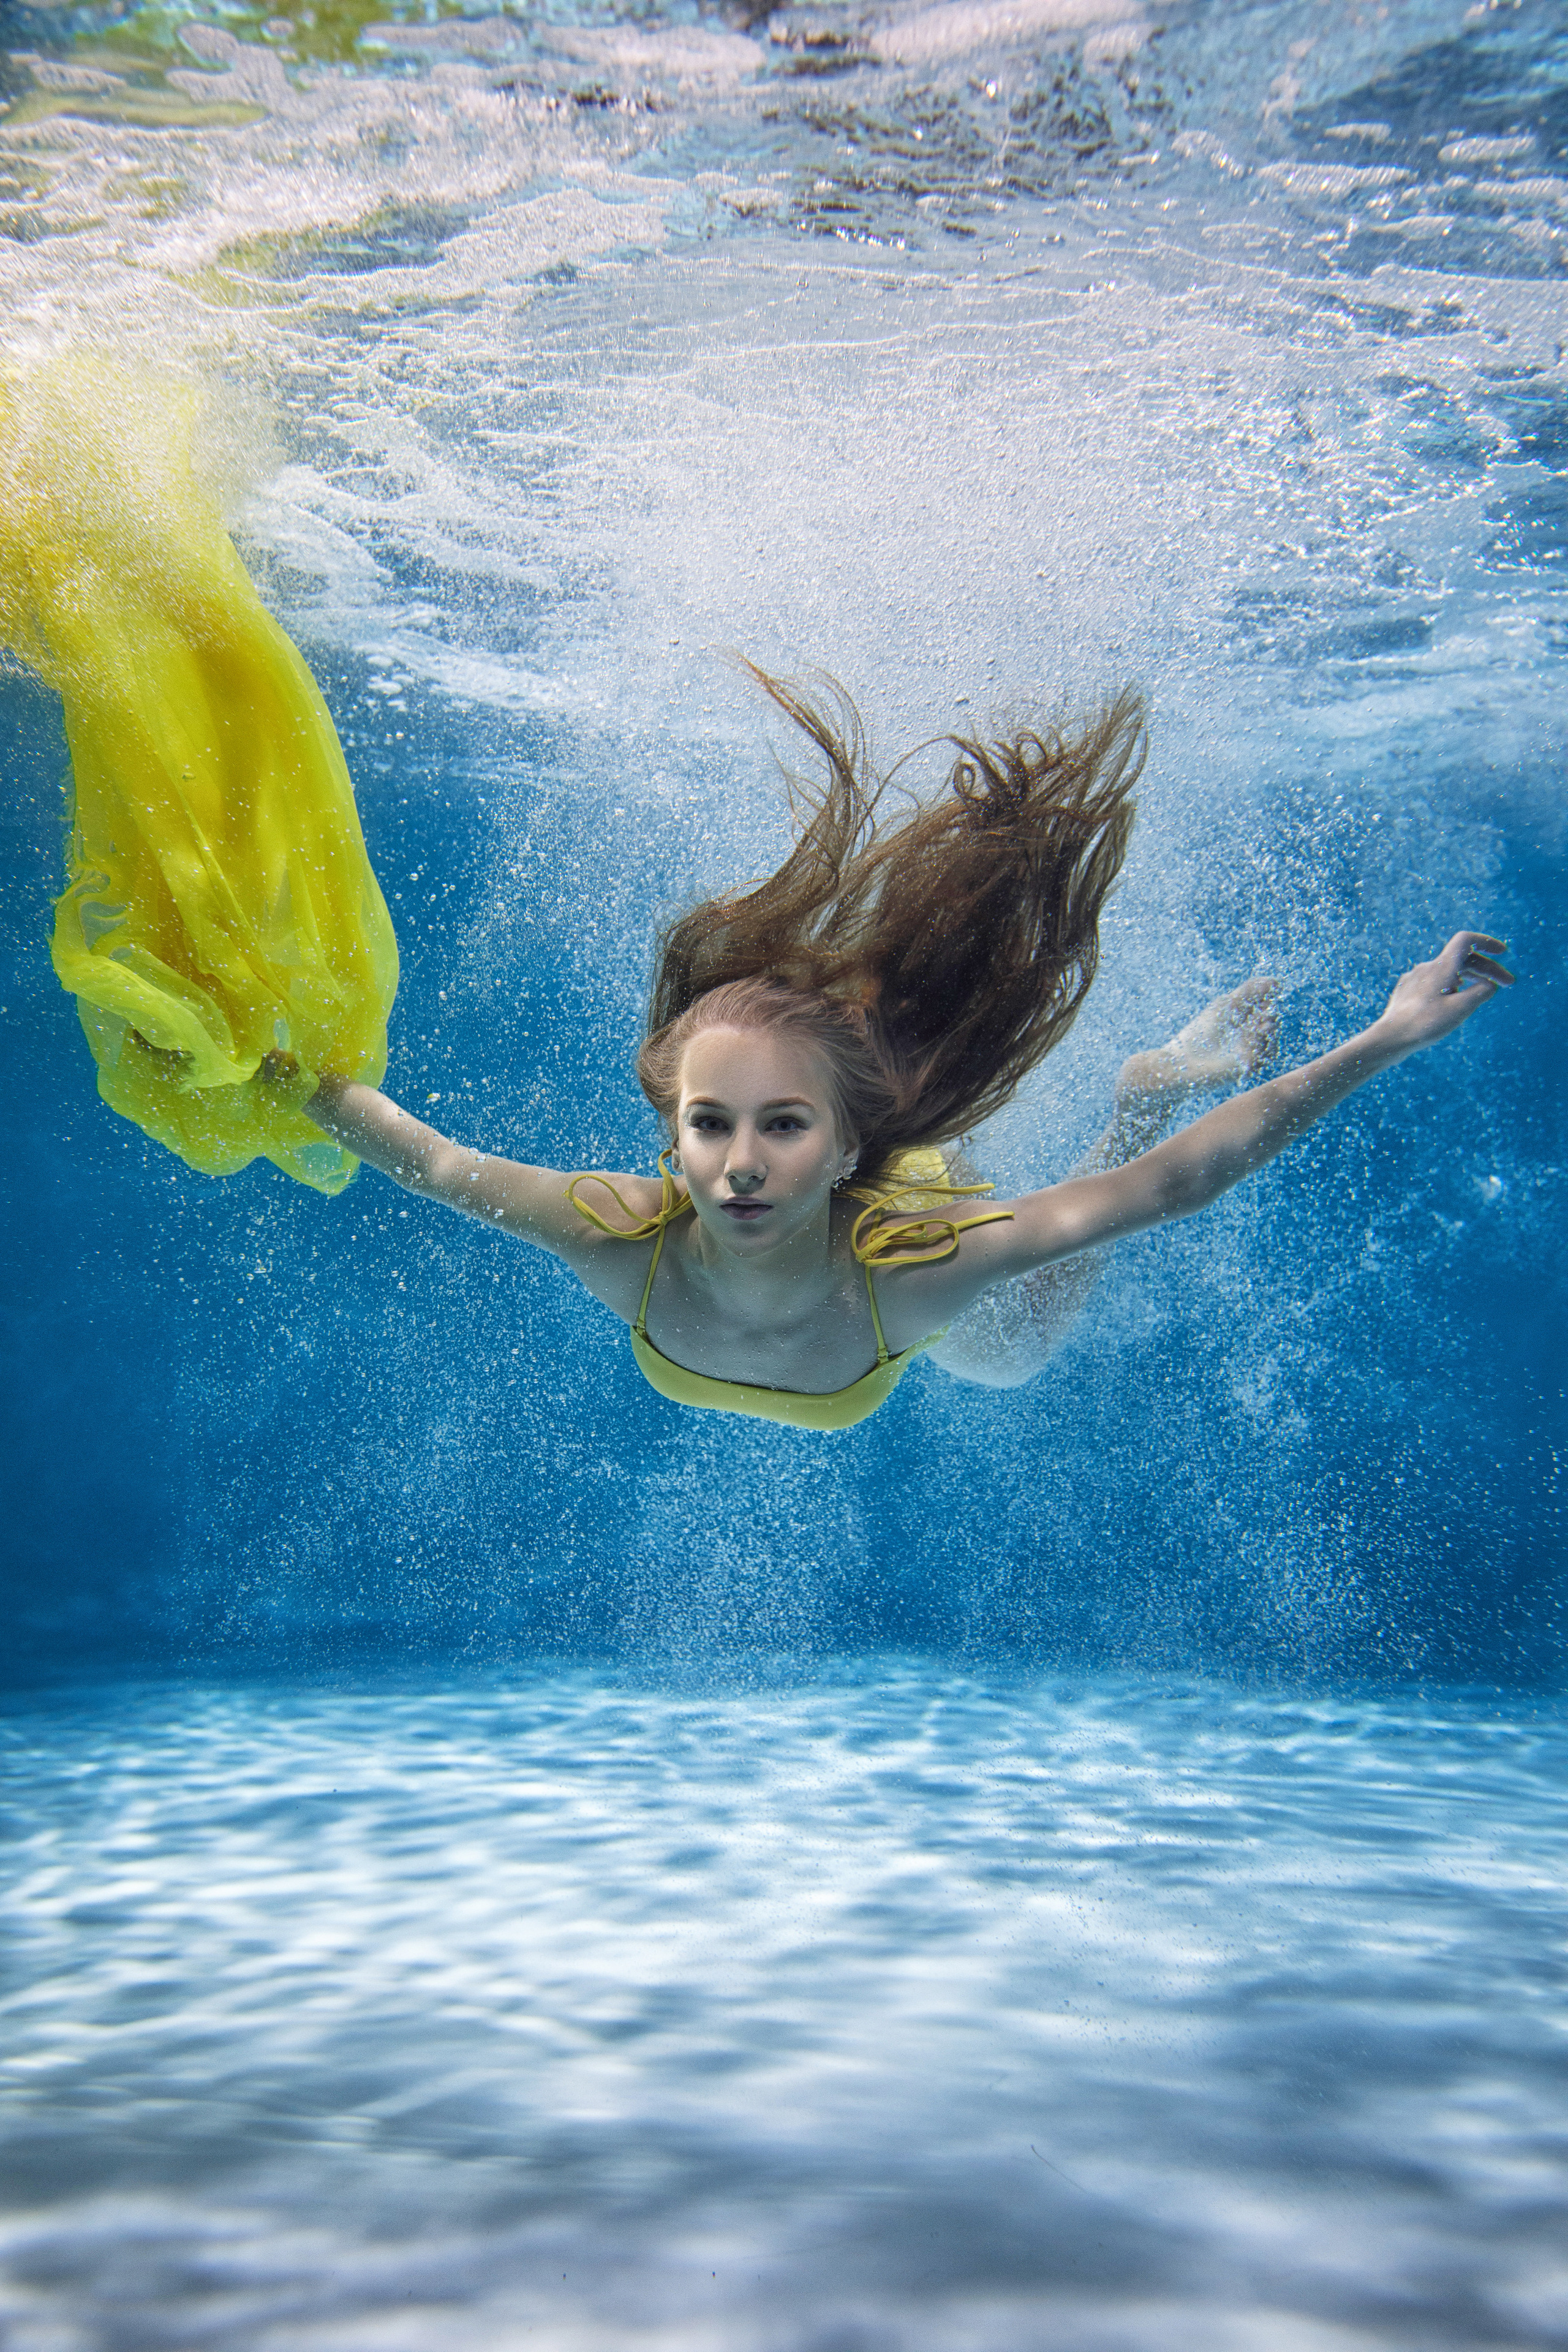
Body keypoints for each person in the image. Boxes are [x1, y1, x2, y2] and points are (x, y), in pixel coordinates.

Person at [279, 669, 1513, 1430]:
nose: (739, 1166)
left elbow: (1179, 1184)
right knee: (919, 1117)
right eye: (709, 1125)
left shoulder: (913, 1273)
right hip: (874, 1153)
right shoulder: (616, 1227)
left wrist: (1387, 1035)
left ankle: (1126, 1091)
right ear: (671, 1134)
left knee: (1015, 1354)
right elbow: (430, 1160)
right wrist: (265, 1067)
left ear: (829, 1139)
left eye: (779, 1126)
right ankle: (901, 1075)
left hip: (892, 1202)